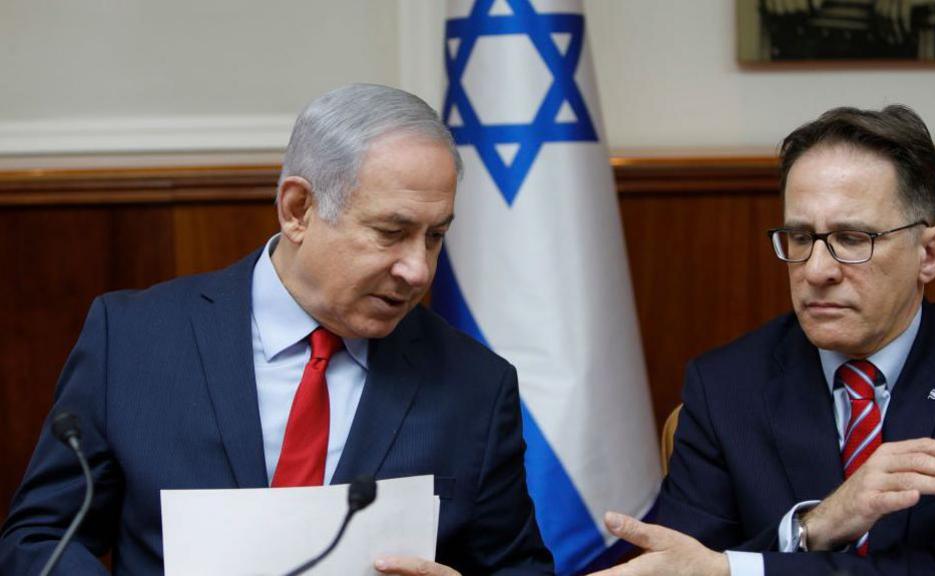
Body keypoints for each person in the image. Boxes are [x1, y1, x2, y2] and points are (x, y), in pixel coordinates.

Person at [0, 83, 554, 576]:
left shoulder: (476, 386)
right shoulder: (133, 340)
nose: (419, 270)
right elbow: (39, 538)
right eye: (392, 232)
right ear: (297, 209)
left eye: (435, 236)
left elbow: (513, 565)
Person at [594, 105, 935, 575]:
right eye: (800, 237)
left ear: (930, 254)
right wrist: (816, 525)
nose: (817, 271)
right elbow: (687, 568)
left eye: (853, 238)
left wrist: (741, 569)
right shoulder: (724, 387)